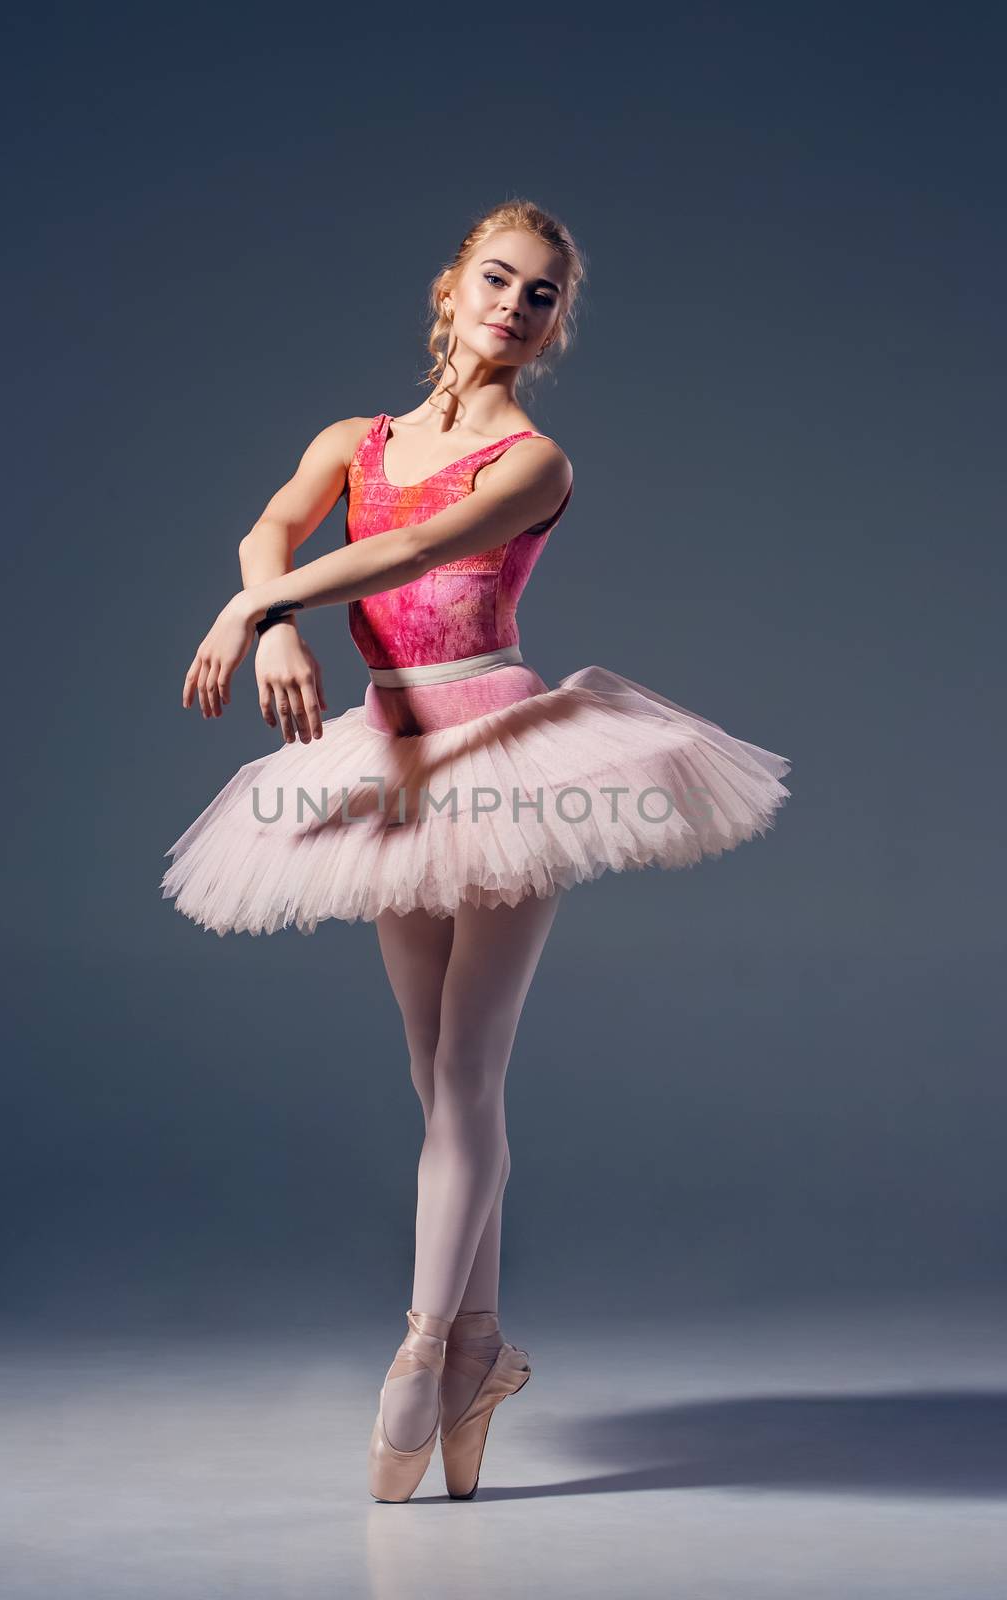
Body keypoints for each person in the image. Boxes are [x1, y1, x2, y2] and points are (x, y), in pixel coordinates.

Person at [160, 199, 792, 1503]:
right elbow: (277, 526)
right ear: (453, 287)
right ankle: (486, 1348)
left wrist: (261, 605)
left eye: (543, 295)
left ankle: (419, 1355)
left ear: (553, 328)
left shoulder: (536, 461)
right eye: (499, 279)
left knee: (468, 1068)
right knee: (432, 1069)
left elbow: (403, 548)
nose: (515, 304)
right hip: (391, 761)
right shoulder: (357, 438)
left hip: (504, 753)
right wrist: (270, 616)